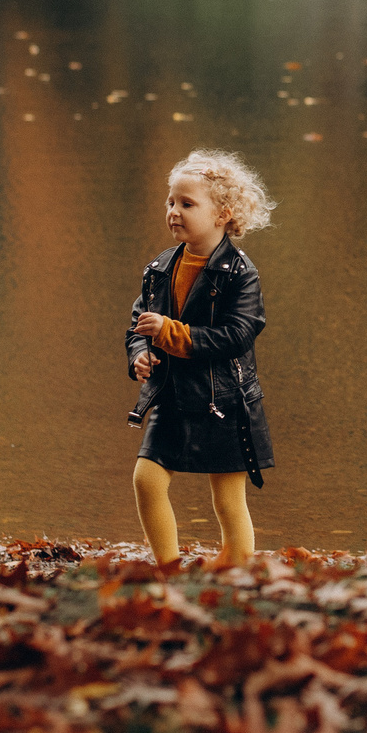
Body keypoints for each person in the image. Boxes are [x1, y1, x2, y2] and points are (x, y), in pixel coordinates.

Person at [125, 149, 276, 564]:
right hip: (172, 395)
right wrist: (140, 354)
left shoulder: (240, 273)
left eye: (187, 204)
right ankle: (168, 569)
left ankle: (235, 569)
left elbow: (238, 335)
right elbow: (139, 323)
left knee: (228, 499)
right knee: (147, 480)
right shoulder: (159, 268)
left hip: (224, 400)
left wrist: (170, 332)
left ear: (222, 214)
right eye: (170, 202)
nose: (174, 211)